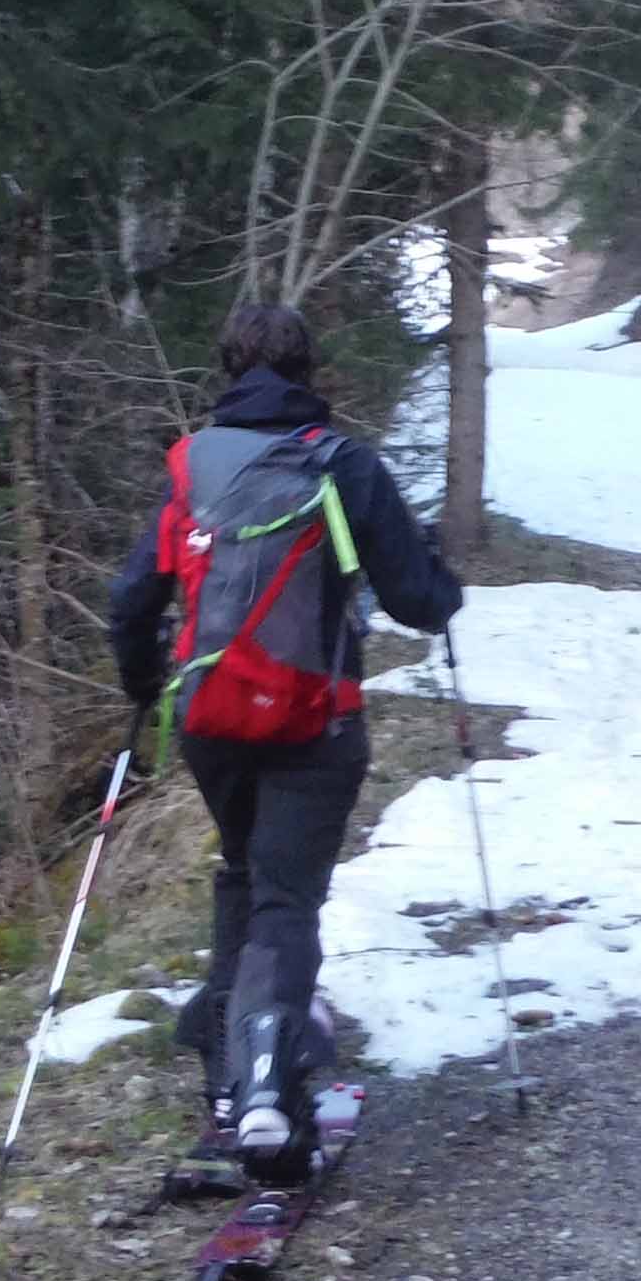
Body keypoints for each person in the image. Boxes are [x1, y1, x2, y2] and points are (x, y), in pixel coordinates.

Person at [106, 299, 463, 1176]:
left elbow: (131, 599)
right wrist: (442, 579)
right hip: (313, 720)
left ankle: (228, 1081)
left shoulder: (192, 466)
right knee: (285, 897)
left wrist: (143, 683)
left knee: (245, 872)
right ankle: (267, 1086)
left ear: (229, 370)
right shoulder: (344, 464)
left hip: (209, 719)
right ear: (309, 370)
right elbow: (418, 600)